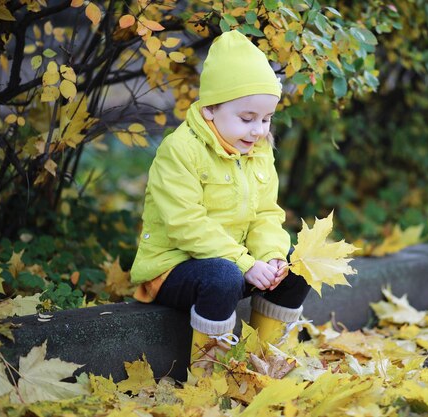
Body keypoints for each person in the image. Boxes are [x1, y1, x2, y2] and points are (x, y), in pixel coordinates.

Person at [129, 30, 311, 370]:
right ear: (211, 109)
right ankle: (208, 373)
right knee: (223, 275)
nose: (258, 130)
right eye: (247, 119)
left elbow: (266, 214)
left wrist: (270, 258)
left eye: (266, 119)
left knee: (297, 267)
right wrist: (245, 263)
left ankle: (267, 360)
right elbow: (186, 224)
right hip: (175, 269)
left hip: (237, 263)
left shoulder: (257, 150)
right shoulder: (180, 150)